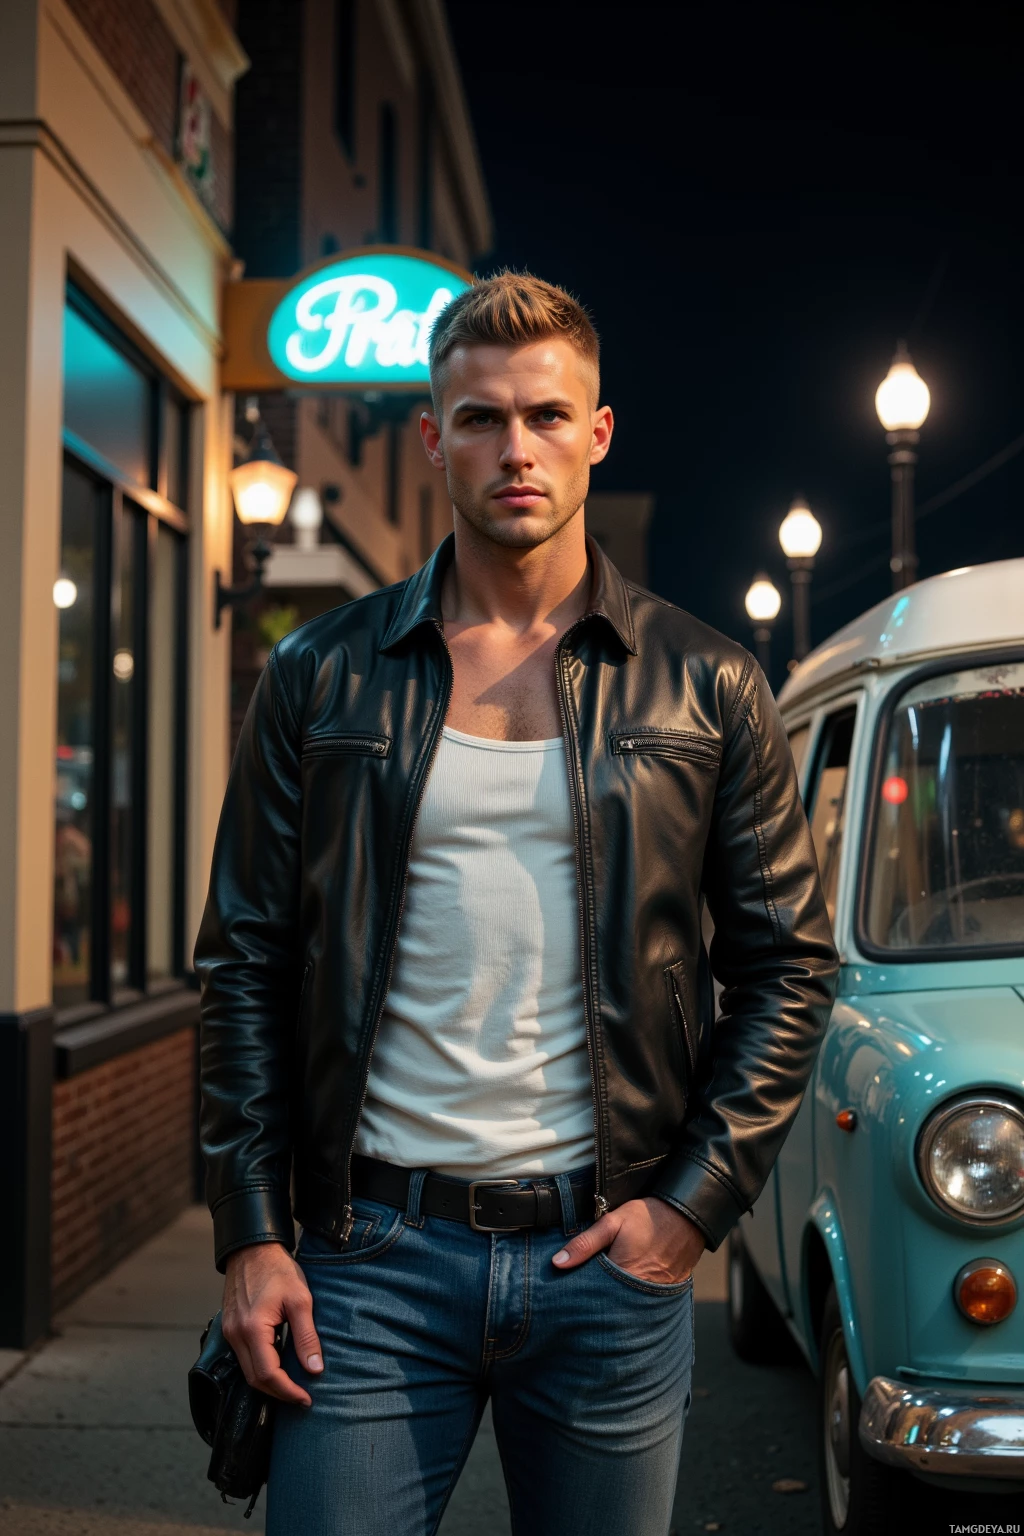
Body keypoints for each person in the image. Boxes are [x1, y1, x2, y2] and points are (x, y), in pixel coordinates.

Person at [195, 272, 838, 1536]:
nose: (516, 447)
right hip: (365, 1260)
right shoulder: (323, 676)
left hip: (604, 1258)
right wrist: (251, 1231)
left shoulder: (706, 684)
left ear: (597, 434)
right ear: (433, 437)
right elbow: (247, 963)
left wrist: (690, 1202)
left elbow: (786, 965)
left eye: (548, 416)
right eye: (481, 418)